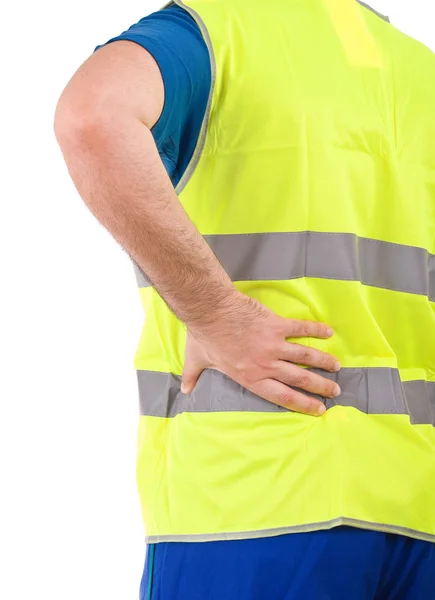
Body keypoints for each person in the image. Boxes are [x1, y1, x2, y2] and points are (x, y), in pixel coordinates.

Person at [54, 1, 435, 598]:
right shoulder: (418, 69)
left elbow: (93, 116)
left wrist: (215, 314)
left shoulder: (213, 34)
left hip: (256, 500)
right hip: (419, 508)